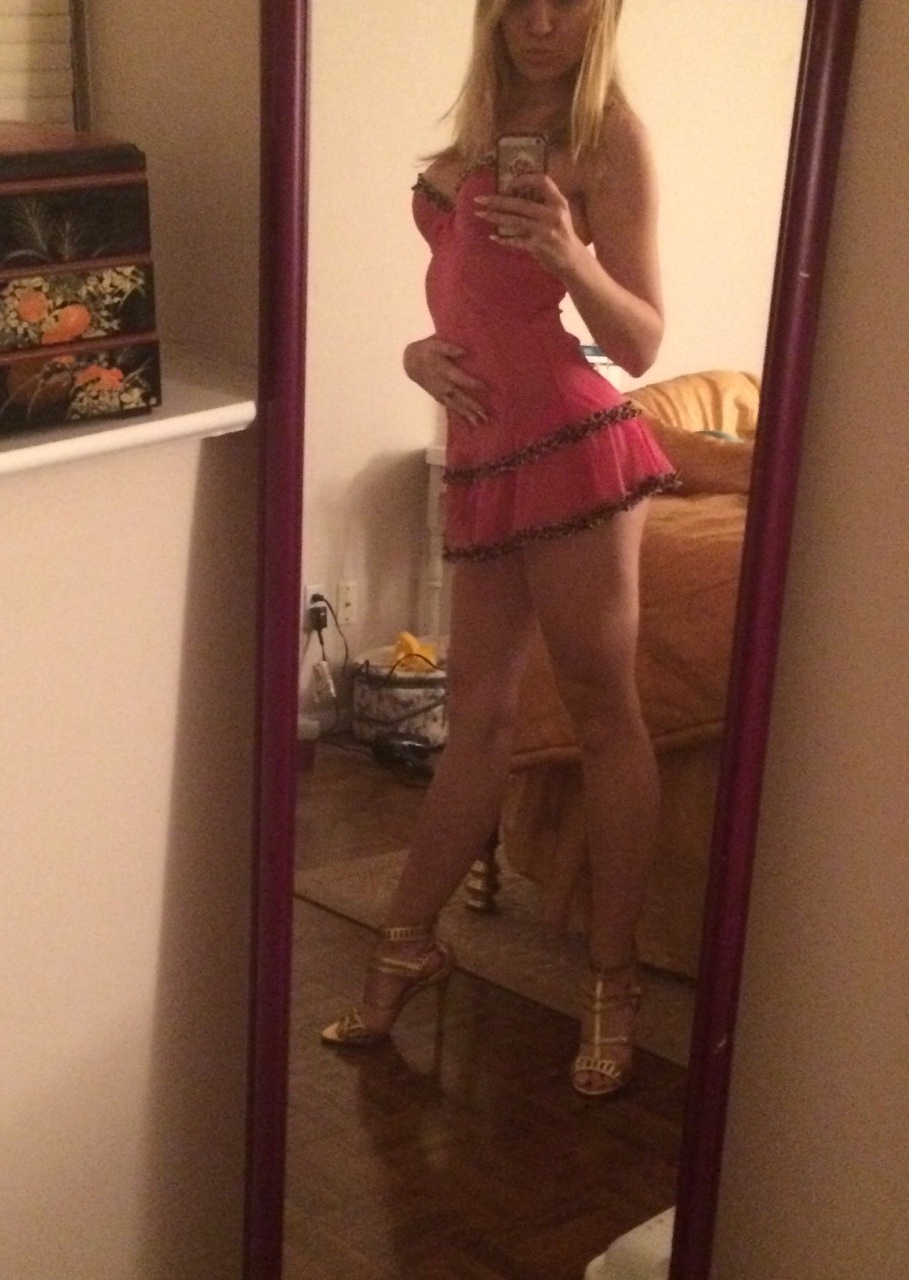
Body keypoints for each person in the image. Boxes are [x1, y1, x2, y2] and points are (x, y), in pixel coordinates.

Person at [321, 0, 677, 1098]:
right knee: (473, 717)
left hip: (573, 447)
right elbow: (464, 304)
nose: (541, 20)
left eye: (567, 0)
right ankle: (405, 943)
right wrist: (416, 355)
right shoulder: (477, 133)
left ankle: (612, 980)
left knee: (603, 709)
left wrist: (570, 251)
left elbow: (639, 340)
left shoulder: (609, 135)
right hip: (484, 451)